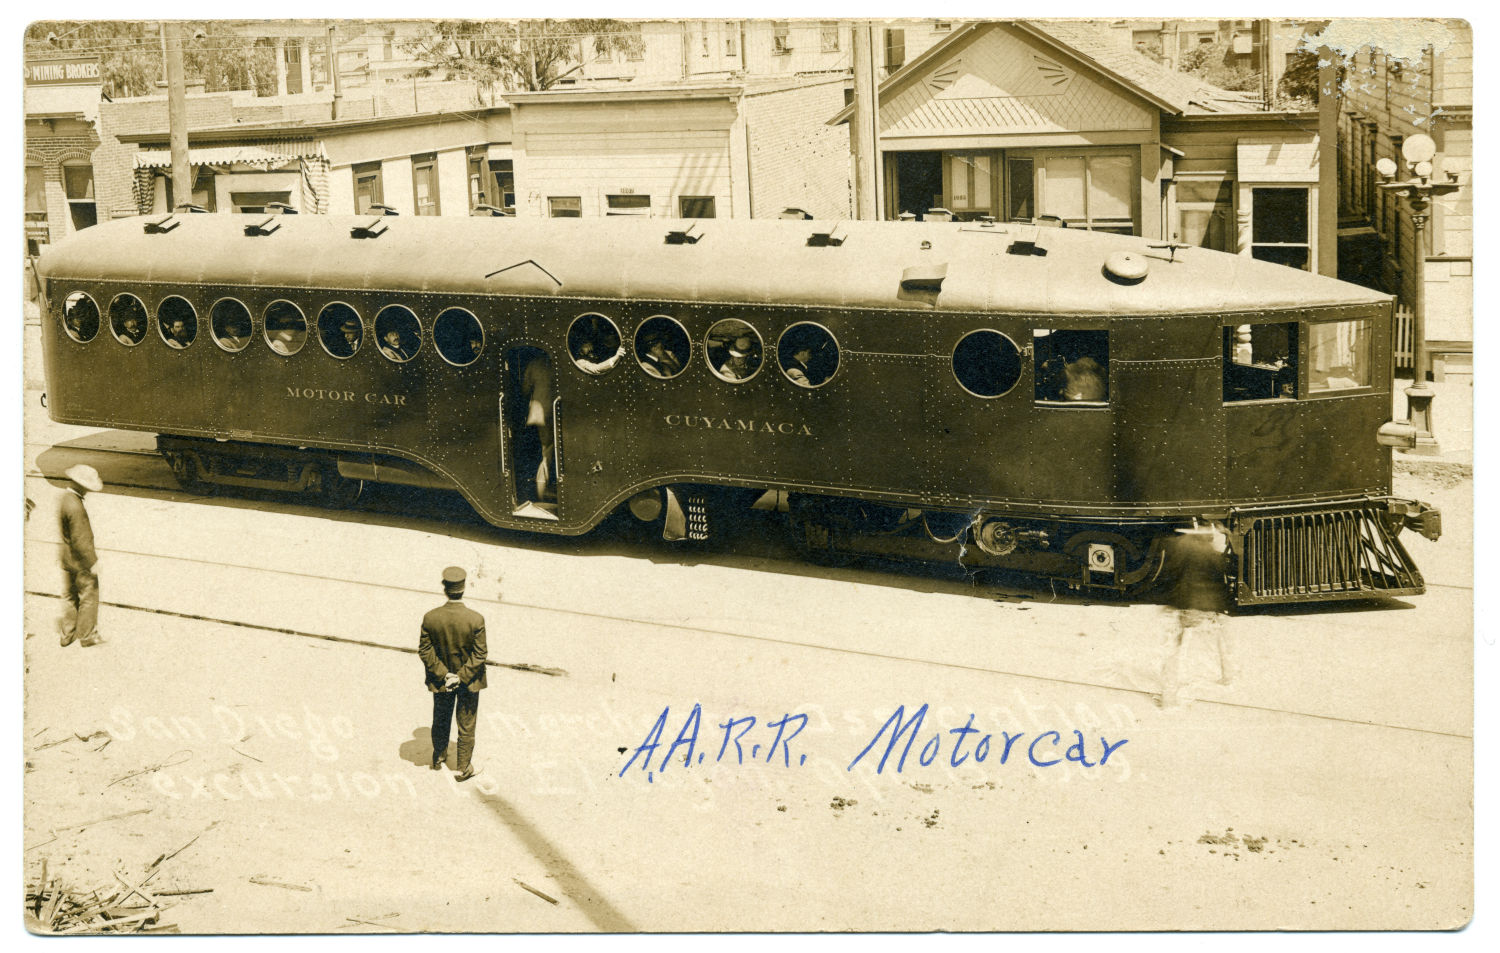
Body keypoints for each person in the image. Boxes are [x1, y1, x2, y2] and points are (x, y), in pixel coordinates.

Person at [418, 566, 487, 781]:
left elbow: (425, 650)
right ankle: (463, 767)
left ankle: (438, 758)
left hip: (441, 682)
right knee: (466, 724)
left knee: (441, 717)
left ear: (444, 588)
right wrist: (461, 676)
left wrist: (445, 675)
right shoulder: (476, 619)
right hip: (469, 682)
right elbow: (480, 653)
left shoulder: (431, 617)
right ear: (464, 588)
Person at [58, 464, 103, 648]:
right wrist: (92, 562)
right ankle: (87, 636)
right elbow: (81, 539)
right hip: (80, 561)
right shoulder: (76, 507)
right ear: (80, 485)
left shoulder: (65, 499)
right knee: (89, 595)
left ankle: (67, 634)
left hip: (67, 558)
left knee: (70, 596)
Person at [521, 353, 553, 501]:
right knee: (548, 451)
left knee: (544, 450)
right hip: (553, 410)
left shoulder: (534, 363)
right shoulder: (554, 361)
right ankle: (543, 490)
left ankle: (541, 489)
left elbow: (525, 389)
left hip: (538, 411)